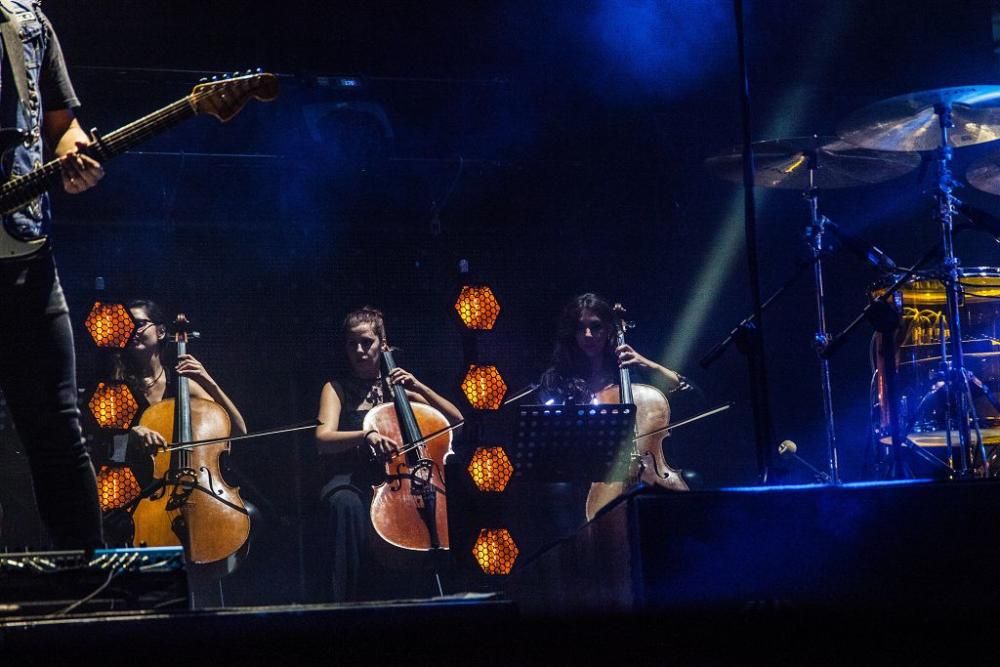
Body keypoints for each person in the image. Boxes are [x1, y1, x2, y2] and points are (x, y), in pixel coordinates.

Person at [0, 2, 107, 550]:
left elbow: (62, 126)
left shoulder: (28, 21)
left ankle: (85, 591)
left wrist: (75, 154)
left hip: (26, 263)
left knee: (59, 432)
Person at [315, 307, 463, 602]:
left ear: (383, 344)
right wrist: (365, 435)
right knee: (344, 504)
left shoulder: (400, 391)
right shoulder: (336, 389)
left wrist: (419, 386)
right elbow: (323, 439)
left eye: (367, 342)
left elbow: (456, 422)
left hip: (403, 481)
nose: (359, 350)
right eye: (352, 343)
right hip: (353, 479)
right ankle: (347, 602)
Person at [113, 299, 249, 607]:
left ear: (162, 332)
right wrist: (132, 433)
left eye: (140, 323)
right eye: (127, 325)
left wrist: (207, 381)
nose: (132, 330)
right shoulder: (119, 386)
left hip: (195, 485)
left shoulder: (181, 384)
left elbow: (238, 429)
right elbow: (107, 444)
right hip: (142, 490)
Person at [540, 293, 686, 404]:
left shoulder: (628, 372)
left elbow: (689, 395)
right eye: (580, 328)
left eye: (596, 327)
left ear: (609, 329)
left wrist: (647, 364)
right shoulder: (557, 379)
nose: (588, 335)